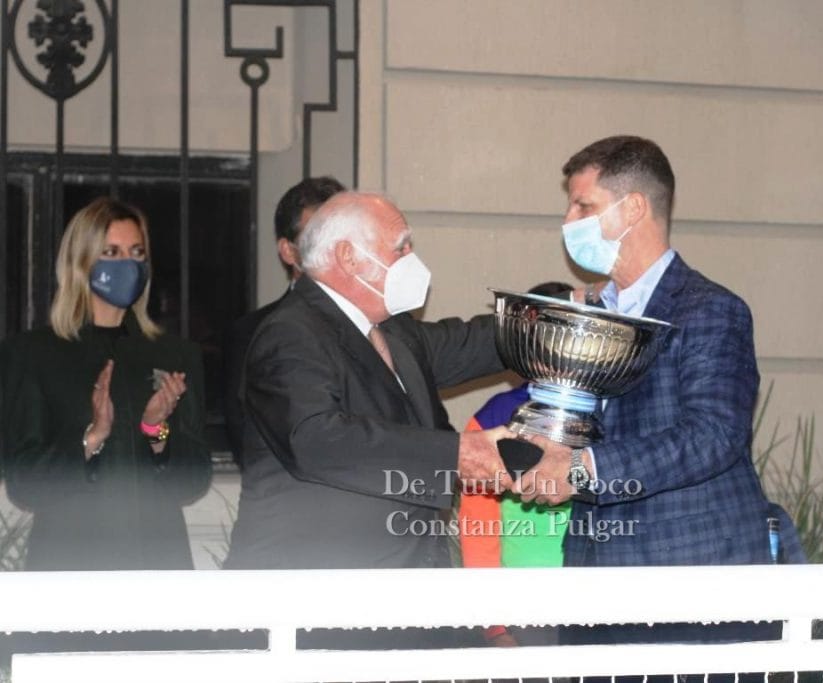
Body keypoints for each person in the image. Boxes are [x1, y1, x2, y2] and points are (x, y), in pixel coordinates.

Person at [514, 135, 788, 652]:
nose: (568, 221)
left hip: (689, 582)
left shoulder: (709, 309)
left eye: (583, 206)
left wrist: (582, 469)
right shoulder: (592, 314)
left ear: (633, 208)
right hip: (594, 579)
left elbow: (714, 435)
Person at [225, 191, 513, 572]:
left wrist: (569, 310)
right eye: (401, 247)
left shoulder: (391, 330)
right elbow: (317, 439)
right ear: (348, 257)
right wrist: (454, 455)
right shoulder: (290, 332)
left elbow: (472, 343)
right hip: (315, 586)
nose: (412, 258)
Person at [0, 197, 211, 570]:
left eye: (136, 252)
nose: (127, 263)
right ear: (80, 262)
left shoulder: (175, 355)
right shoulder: (33, 354)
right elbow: (25, 483)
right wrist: (91, 438)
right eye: (111, 252)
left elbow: (193, 481)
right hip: (71, 564)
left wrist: (156, 430)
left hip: (156, 563)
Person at [459, 281, 574, 648]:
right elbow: (478, 525)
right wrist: (494, 623)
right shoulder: (495, 418)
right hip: (524, 607)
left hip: (602, 602)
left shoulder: (613, 412)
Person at [223, 176, 345, 460]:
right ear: (288, 251)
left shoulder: (381, 326)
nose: (335, 249)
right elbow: (247, 441)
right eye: (318, 237)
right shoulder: (251, 333)